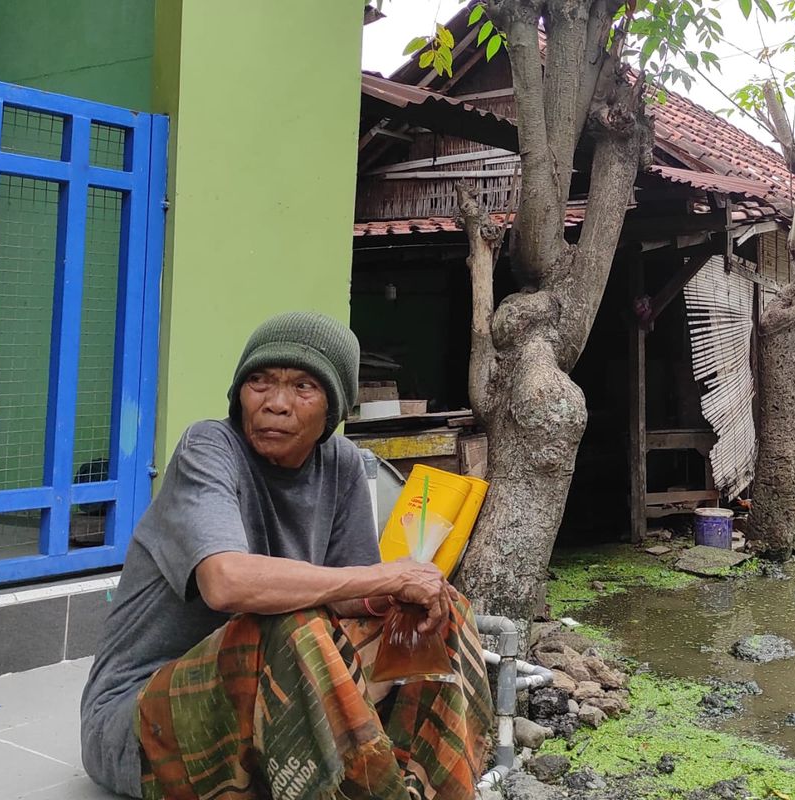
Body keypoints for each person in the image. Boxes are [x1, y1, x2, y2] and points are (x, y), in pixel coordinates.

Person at [80, 312, 492, 800]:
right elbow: (225, 582)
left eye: (303, 387)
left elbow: (351, 603)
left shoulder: (339, 465)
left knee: (440, 609)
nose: (275, 404)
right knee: (289, 623)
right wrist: (381, 577)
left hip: (261, 707)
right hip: (141, 728)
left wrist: (410, 589)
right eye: (259, 381)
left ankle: (424, 787)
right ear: (238, 394)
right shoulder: (209, 448)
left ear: (332, 410)